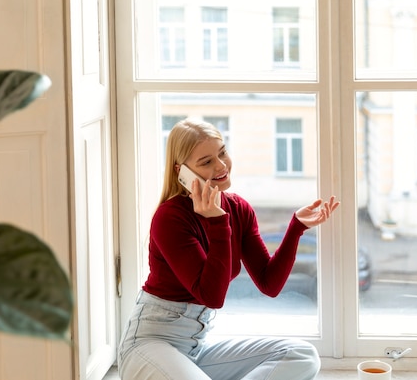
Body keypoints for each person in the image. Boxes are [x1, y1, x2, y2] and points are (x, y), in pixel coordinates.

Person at [118, 119, 339, 380]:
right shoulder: (170, 218)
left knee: (301, 355)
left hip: (195, 349)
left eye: (222, 152)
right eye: (206, 161)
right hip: (149, 346)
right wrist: (217, 221)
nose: (221, 166)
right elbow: (212, 296)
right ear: (182, 171)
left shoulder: (239, 209)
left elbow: (270, 284)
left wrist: (296, 228)